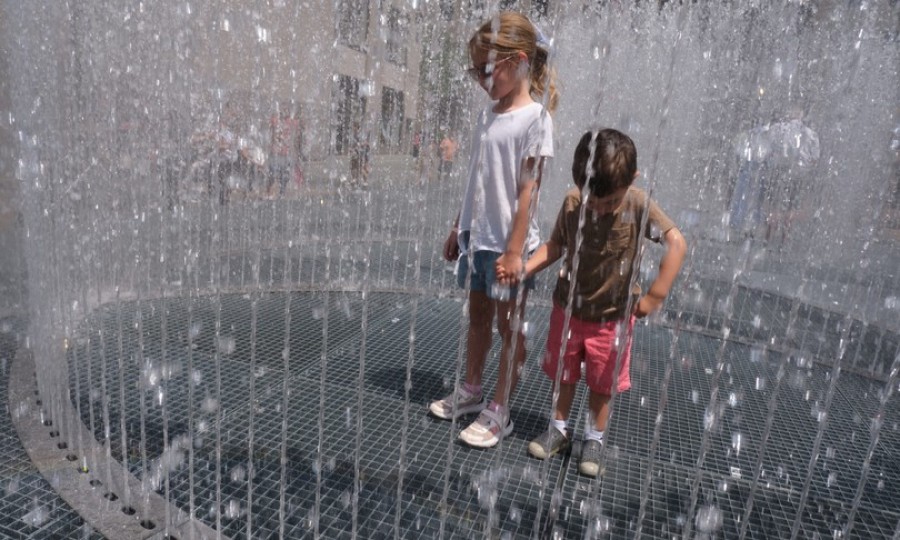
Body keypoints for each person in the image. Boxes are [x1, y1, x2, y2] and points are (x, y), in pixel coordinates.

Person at [499, 129, 686, 476]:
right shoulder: (573, 202)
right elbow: (556, 245)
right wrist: (525, 267)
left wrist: (656, 295)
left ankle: (594, 439)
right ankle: (558, 430)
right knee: (563, 375)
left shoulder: (638, 204)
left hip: (613, 319)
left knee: (602, 383)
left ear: (632, 179)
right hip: (568, 310)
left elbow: (676, 243)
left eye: (608, 202)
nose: (598, 208)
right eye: (592, 200)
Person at [428, 11, 558, 449]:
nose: (483, 81)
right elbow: (476, 177)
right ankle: (472, 387)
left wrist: (515, 253)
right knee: (479, 318)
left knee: (510, 327)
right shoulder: (489, 114)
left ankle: (501, 409)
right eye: (476, 72)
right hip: (480, 242)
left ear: (519, 61)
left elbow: (529, 192)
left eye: (487, 70)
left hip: (508, 249)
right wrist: (457, 227)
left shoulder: (536, 119)